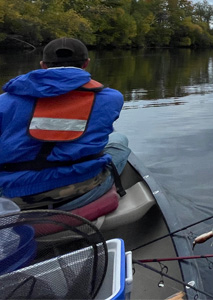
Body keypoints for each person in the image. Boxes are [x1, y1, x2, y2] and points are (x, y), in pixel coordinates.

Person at [0, 37, 130, 210]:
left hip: (16, 195)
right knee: (119, 140)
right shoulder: (112, 98)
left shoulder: (5, 101)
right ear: (86, 63)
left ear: (43, 65)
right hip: (82, 187)